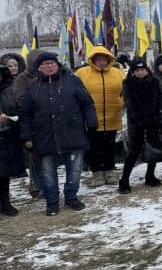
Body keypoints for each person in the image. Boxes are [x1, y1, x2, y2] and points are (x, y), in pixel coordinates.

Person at [19, 52, 98, 216]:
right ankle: (52, 201)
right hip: (45, 137)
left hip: (73, 134)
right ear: (38, 68)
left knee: (74, 170)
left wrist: (92, 123)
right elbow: (26, 115)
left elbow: (87, 103)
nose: (49, 66)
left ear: (58, 64)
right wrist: (26, 136)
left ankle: (71, 196)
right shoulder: (33, 88)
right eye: (45, 64)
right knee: (48, 172)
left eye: (52, 63)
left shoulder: (73, 81)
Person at [75, 45, 125, 187]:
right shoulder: (82, 73)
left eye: (104, 59)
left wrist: (121, 103)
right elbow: (75, 92)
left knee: (109, 146)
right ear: (93, 60)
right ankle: (97, 174)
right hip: (91, 118)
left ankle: (109, 172)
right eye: (99, 59)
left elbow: (126, 90)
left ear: (109, 60)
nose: (102, 62)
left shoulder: (118, 73)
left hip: (112, 116)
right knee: (94, 147)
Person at [119, 56, 162, 194]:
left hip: (154, 121)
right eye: (137, 70)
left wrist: (157, 117)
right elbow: (130, 105)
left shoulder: (154, 81)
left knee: (153, 149)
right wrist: (142, 120)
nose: (140, 73)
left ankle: (150, 176)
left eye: (142, 70)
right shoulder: (128, 83)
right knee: (134, 151)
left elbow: (160, 101)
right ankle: (124, 180)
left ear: (146, 69)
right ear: (133, 72)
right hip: (136, 123)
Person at [13, 48, 44, 198]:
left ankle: (49, 186)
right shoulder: (22, 79)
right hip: (32, 122)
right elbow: (20, 100)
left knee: (47, 157)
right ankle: (38, 186)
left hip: (48, 122)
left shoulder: (48, 75)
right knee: (35, 157)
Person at [0, 65, 25, 216]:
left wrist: (9, 117)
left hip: (7, 137)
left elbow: (16, 110)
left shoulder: (9, 91)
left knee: (4, 174)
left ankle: (5, 202)